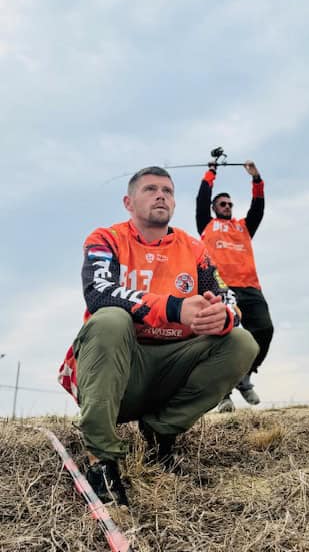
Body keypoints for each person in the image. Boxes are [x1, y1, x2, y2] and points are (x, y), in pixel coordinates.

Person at [58, 166, 258, 506]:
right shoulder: (106, 239)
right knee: (110, 321)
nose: (161, 195)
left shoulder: (194, 249)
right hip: (118, 372)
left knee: (241, 342)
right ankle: (101, 458)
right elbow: (98, 292)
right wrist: (176, 308)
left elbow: (228, 299)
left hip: (169, 366)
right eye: (150, 189)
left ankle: (159, 433)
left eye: (167, 190)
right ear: (128, 201)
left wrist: (222, 316)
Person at [196, 158, 274, 413]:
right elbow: (201, 198)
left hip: (250, 287)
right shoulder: (206, 224)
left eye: (230, 204)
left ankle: (245, 375)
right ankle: (223, 395)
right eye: (222, 203)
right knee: (225, 339)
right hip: (222, 288)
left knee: (264, 329)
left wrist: (256, 178)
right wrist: (212, 171)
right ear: (214, 207)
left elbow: (258, 208)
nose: (227, 206)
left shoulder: (243, 227)